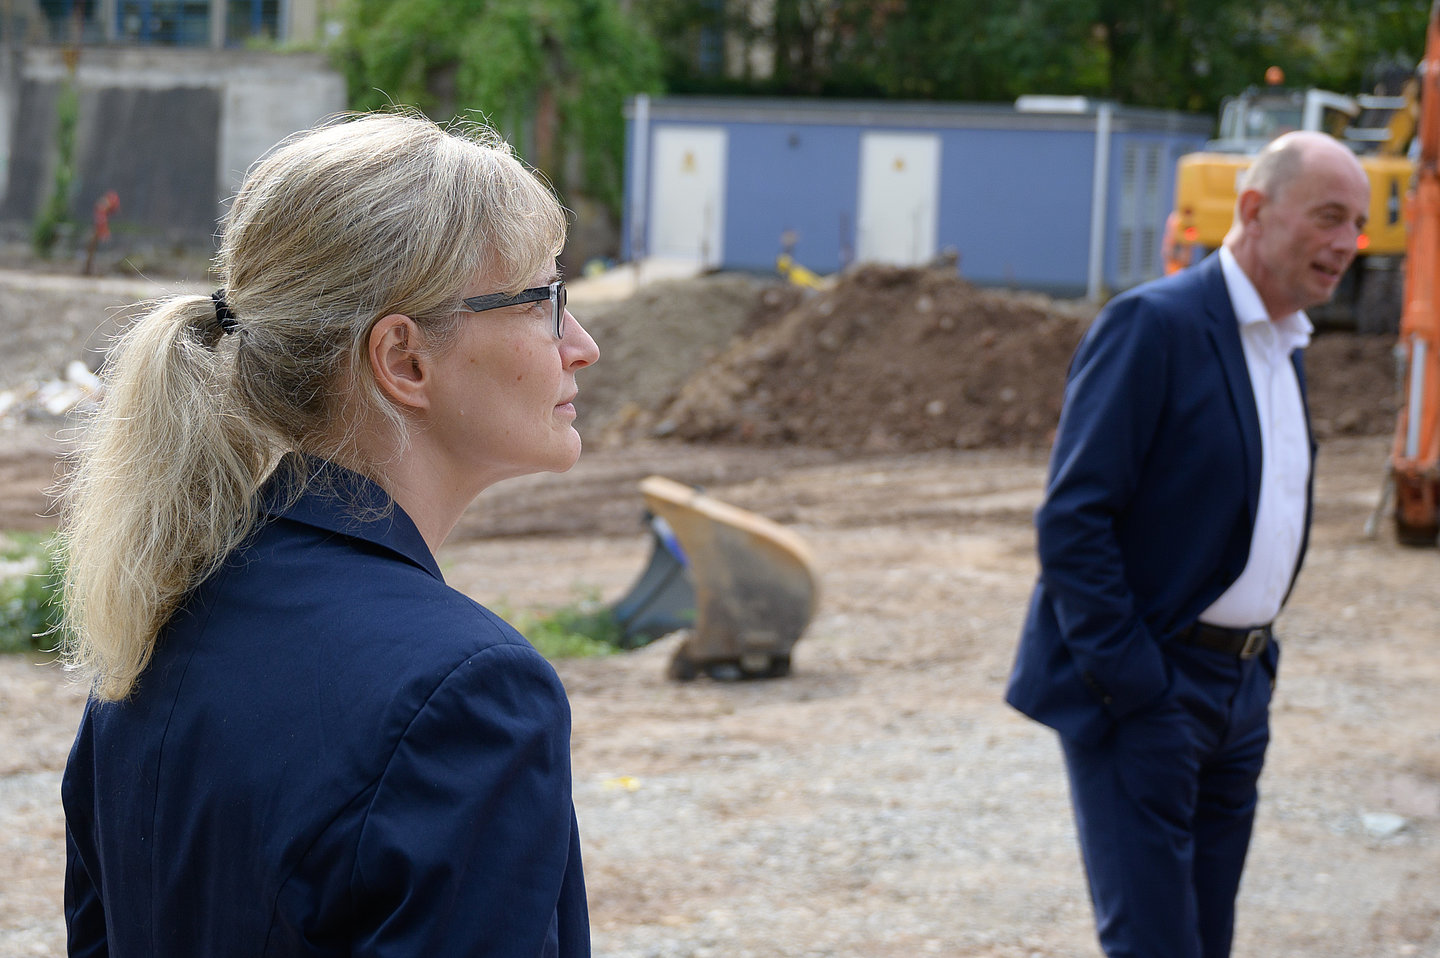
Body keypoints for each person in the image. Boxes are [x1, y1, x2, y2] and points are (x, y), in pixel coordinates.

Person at [58, 112, 599, 957]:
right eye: (545, 300)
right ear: (404, 360)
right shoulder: (468, 694)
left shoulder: (152, 641)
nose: (582, 346)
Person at [1005, 130, 1370, 958]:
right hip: (1152, 690)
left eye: (1357, 225)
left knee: (1206, 941)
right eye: (1328, 218)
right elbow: (1073, 522)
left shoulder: (1287, 345)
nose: (1348, 244)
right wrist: (1139, 689)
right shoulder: (1153, 325)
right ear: (1253, 210)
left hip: (1238, 692)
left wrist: (1255, 668)